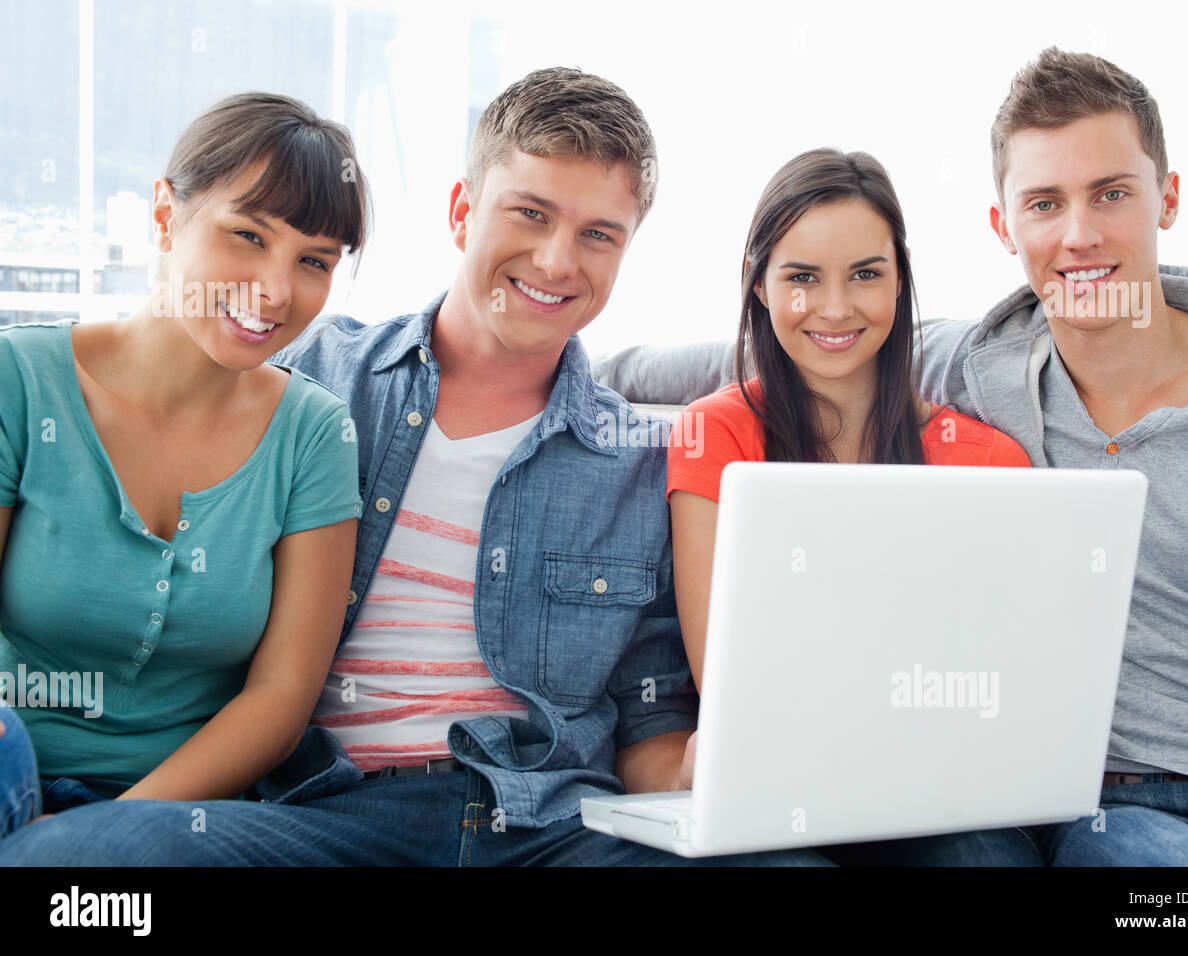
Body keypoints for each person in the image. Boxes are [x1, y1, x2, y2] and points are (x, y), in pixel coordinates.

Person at [0, 67, 829, 866]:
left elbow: (652, 717)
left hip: (555, 823)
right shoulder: (308, 377)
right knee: (82, 861)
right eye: (530, 214)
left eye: (597, 235)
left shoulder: (643, 462)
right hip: (334, 814)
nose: (554, 262)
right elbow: (167, 363)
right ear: (463, 210)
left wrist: (707, 773)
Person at [908, 47, 1188, 866]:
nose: (1079, 236)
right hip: (1068, 804)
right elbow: (808, 341)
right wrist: (577, 358)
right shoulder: (982, 371)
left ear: (1169, 198)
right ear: (1002, 224)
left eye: (1111, 194)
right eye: (1044, 203)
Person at [0, 92, 368, 838]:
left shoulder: (315, 436)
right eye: (247, 235)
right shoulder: (19, 379)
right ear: (166, 215)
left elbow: (281, 696)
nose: (275, 290)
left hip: (182, 824)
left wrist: (104, 833)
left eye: (314, 261)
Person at [666, 148, 1031, 697]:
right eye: (803, 277)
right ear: (759, 284)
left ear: (900, 277)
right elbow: (728, 687)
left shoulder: (991, 462)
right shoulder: (711, 437)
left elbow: (1001, 674)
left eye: (865, 274)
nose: (835, 309)